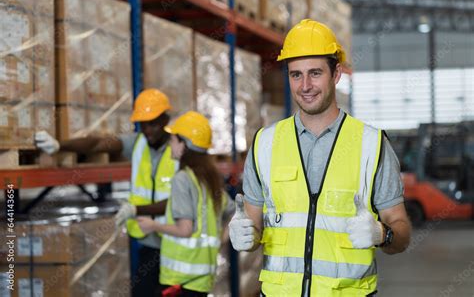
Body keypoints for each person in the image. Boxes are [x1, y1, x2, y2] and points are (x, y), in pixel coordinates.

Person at [228, 19, 412, 296]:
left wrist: (381, 234)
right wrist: (246, 236)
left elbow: (402, 232)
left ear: (336, 74)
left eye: (315, 73)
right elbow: (254, 226)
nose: (305, 86)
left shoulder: (371, 145)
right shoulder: (264, 143)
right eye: (295, 75)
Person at [34, 88, 177, 297]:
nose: (147, 130)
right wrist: (59, 145)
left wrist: (136, 209)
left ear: (165, 119)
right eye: (143, 124)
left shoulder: (181, 150)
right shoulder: (137, 143)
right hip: (148, 242)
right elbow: (99, 142)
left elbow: (183, 201)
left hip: (176, 241)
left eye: (153, 124)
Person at [136, 111, 232, 297]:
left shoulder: (182, 179)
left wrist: (153, 225)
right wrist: (220, 238)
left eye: (173, 140)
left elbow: (185, 229)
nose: (170, 145)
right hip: (202, 279)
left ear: (184, 146)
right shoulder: (209, 178)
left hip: (180, 280)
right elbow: (234, 211)